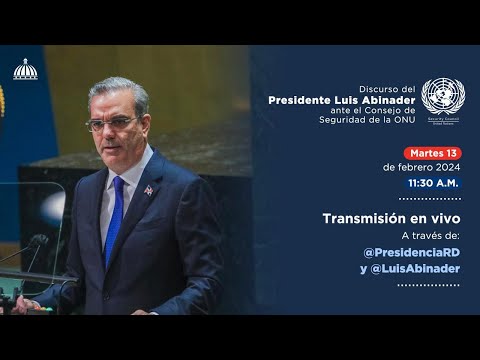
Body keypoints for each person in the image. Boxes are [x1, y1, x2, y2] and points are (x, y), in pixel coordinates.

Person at [12, 76, 224, 315]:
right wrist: (37, 303)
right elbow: (76, 280)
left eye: (119, 121)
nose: (107, 133)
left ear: (144, 125)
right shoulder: (86, 189)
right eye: (97, 124)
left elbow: (207, 282)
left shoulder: (185, 189)